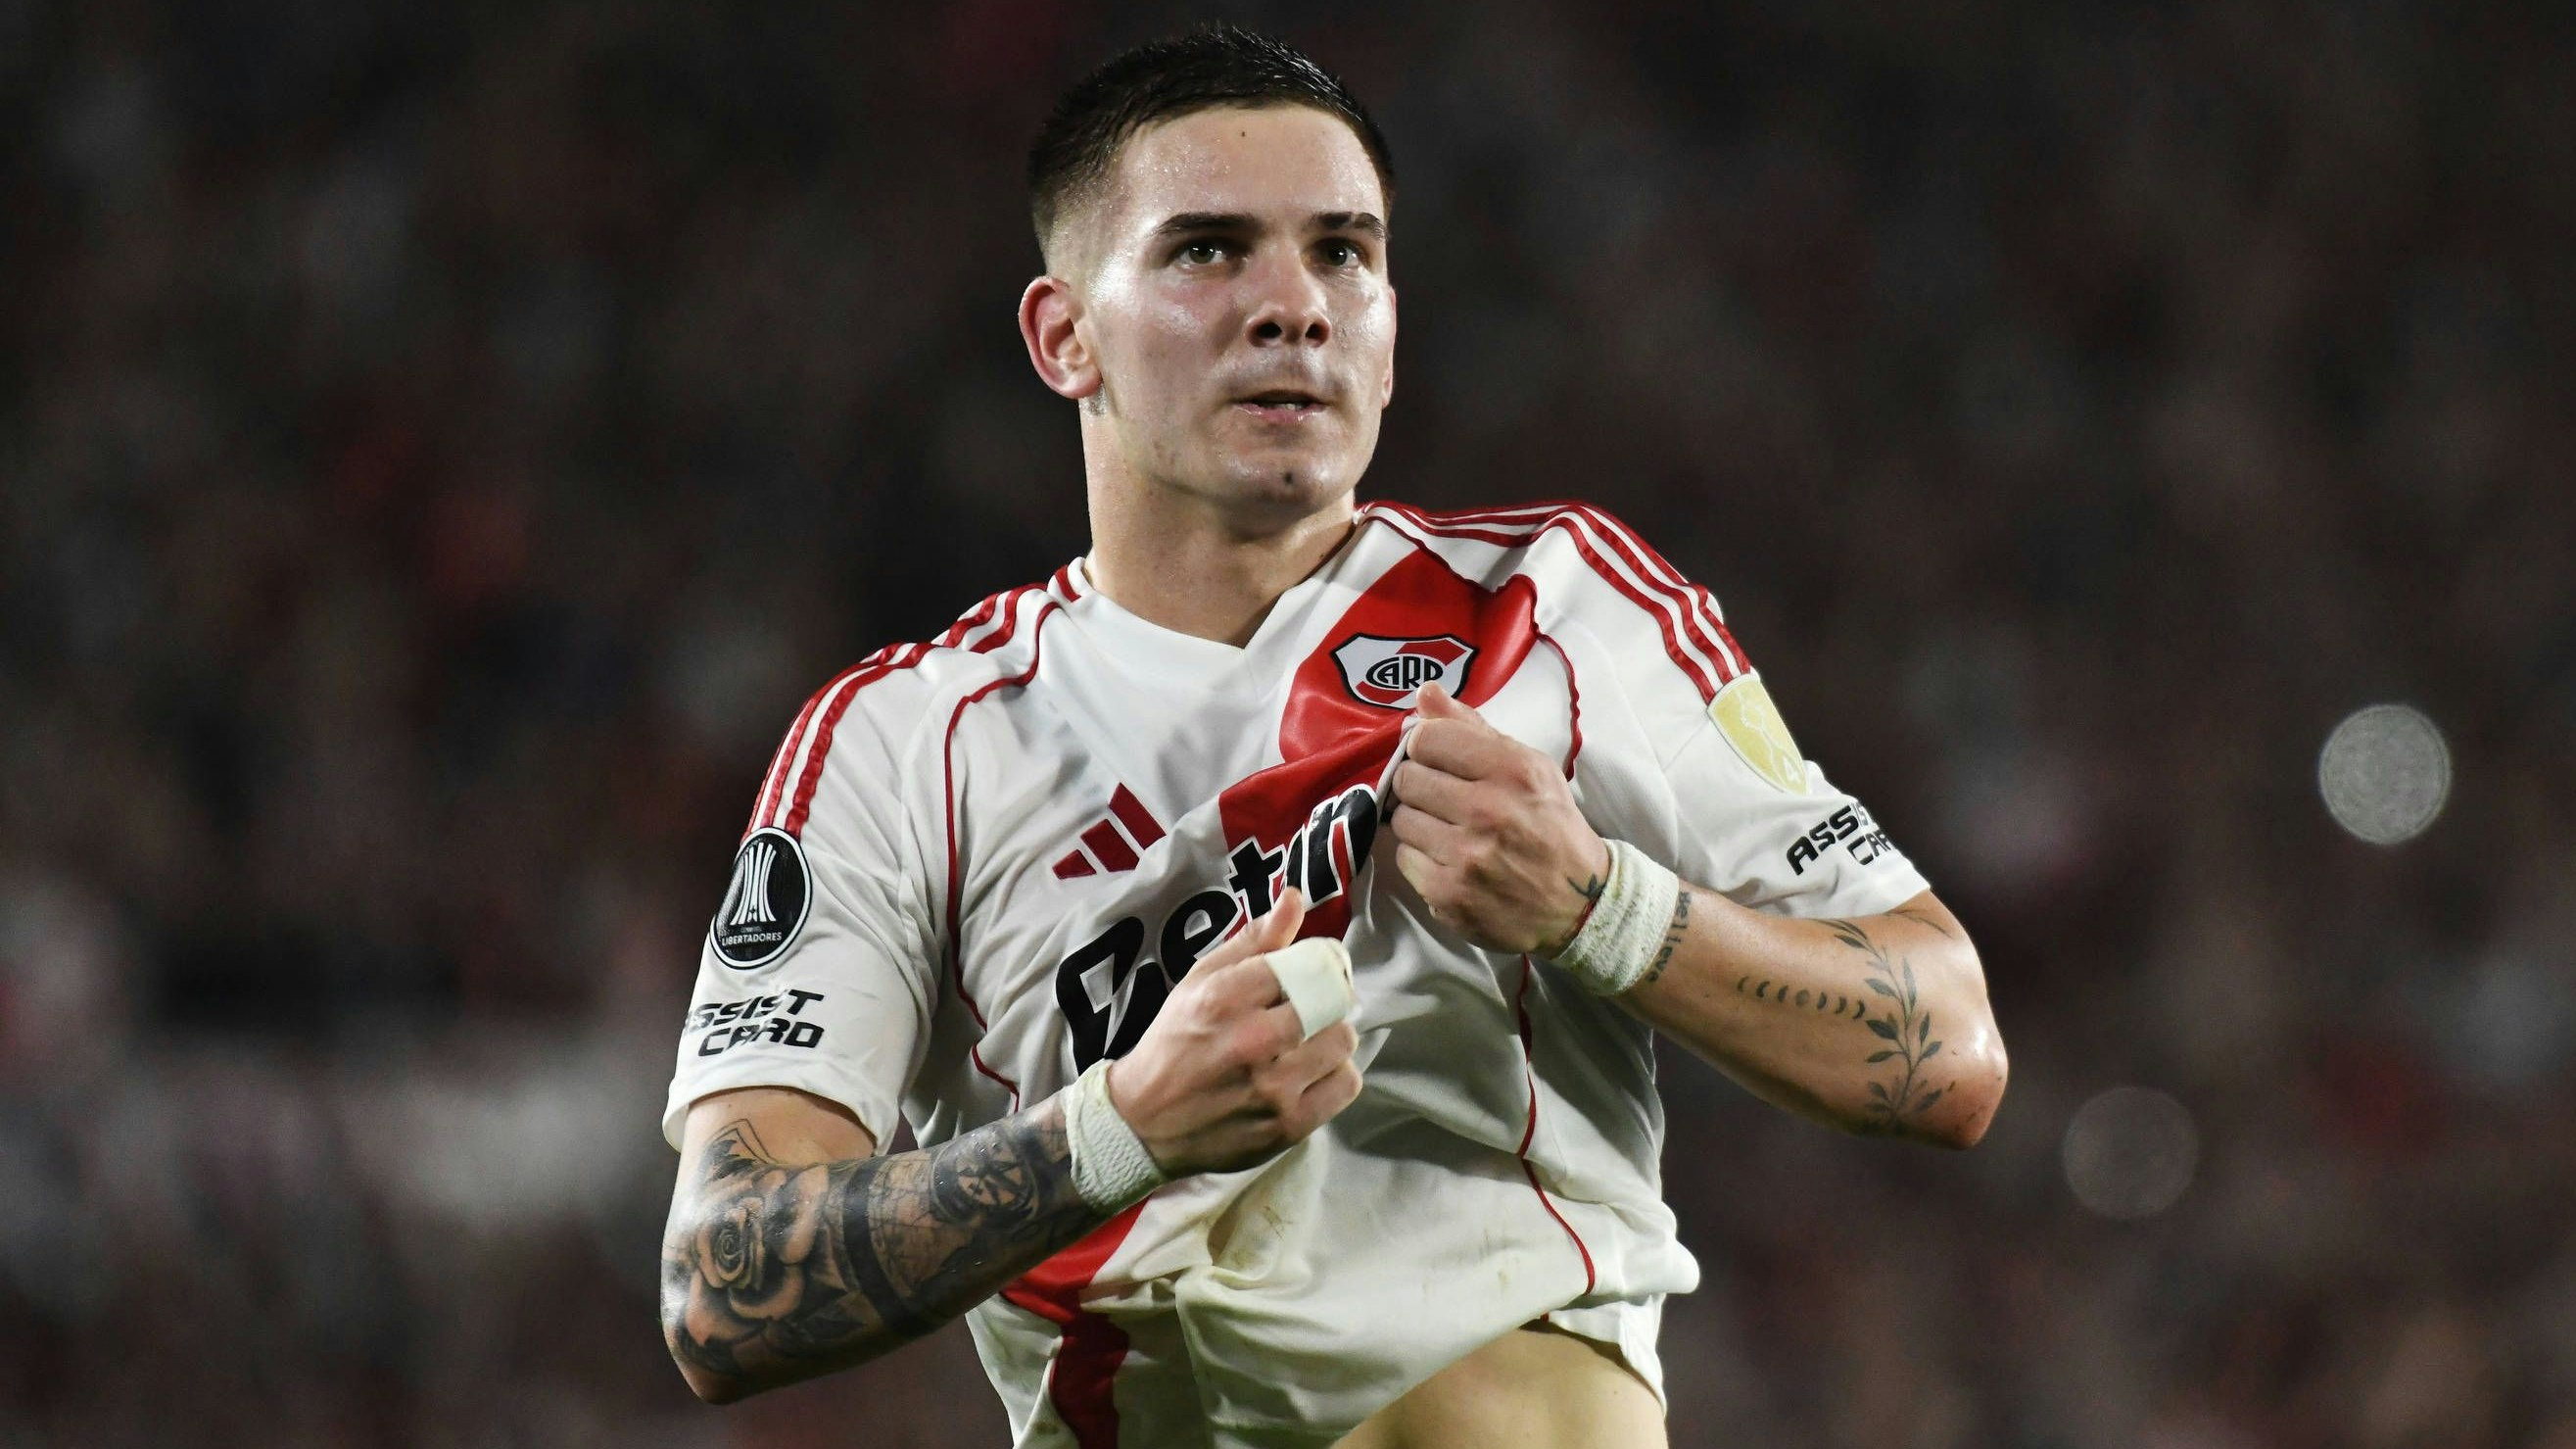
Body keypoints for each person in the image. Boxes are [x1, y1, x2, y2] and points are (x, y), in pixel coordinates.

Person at [657, 24, 2008, 1448]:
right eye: (1208, 251)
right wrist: (1119, 1131)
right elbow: (720, 1292)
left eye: (1342, 253)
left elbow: (1949, 1050)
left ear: (1390, 324)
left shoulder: (1555, 607)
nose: (1293, 306)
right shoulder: (899, 745)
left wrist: (1604, 909)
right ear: (1064, 338)